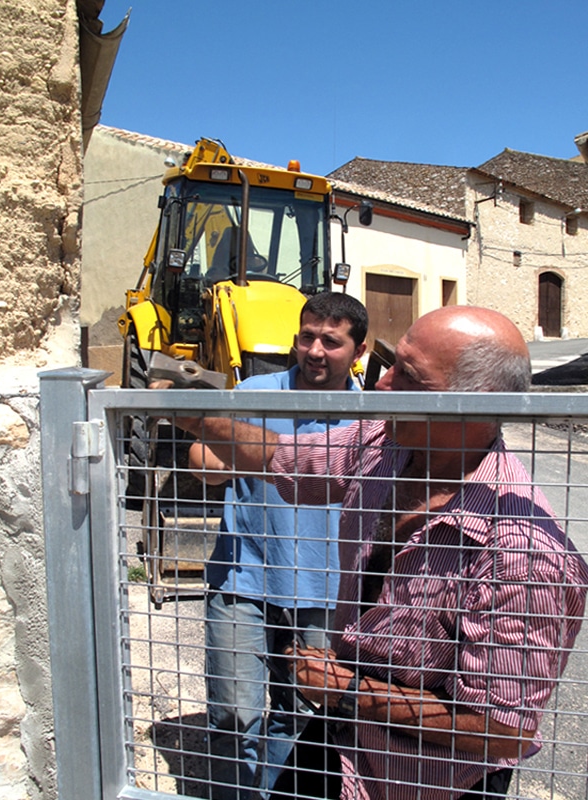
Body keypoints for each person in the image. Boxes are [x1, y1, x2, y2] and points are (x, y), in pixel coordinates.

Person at [161, 305, 588, 800]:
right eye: (392, 363)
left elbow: (501, 729)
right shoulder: (384, 442)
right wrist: (195, 416)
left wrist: (345, 689)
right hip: (342, 741)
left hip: (425, 783)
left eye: (409, 376)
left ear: (474, 403)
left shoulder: (525, 555)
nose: (382, 384)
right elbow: (286, 456)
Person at [187, 292, 368, 799]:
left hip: (326, 591)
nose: (315, 351)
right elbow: (203, 455)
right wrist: (218, 462)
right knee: (233, 716)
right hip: (243, 579)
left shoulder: (371, 412)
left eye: (331, 342)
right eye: (307, 337)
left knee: (302, 716)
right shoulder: (255, 391)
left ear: (358, 351)